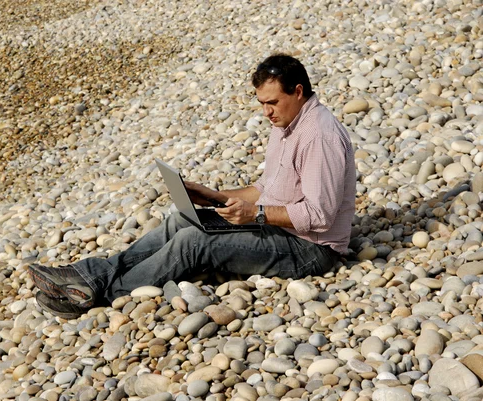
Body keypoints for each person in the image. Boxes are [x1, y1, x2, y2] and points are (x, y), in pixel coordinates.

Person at [28, 53, 356, 318]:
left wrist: (255, 215)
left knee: (195, 241)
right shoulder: (287, 122)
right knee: (182, 219)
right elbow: (266, 189)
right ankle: (91, 277)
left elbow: (320, 215)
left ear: (298, 91)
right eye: (261, 104)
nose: (266, 112)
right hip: (277, 228)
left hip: (310, 249)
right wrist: (214, 197)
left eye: (272, 102)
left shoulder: (319, 136)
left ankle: (103, 297)